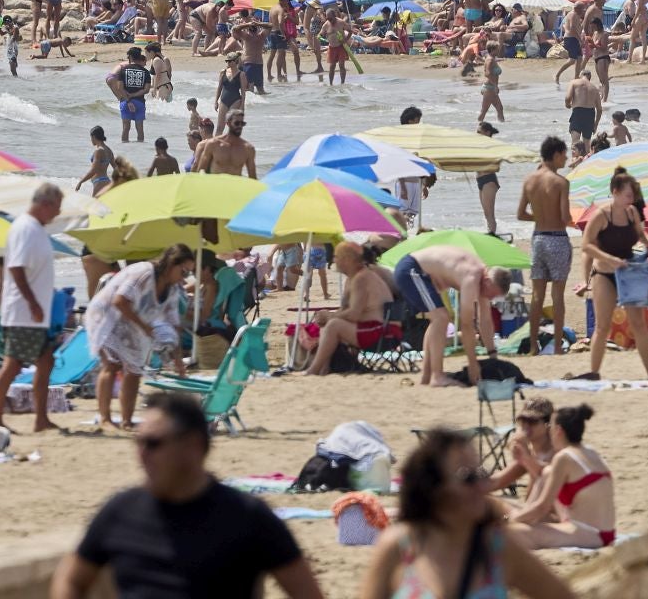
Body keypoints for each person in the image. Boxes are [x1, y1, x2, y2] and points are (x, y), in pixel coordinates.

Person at [56, 392, 323, 599]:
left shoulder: (247, 516)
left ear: (193, 445)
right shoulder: (120, 511)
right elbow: (72, 579)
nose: (142, 454)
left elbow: (306, 593)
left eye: (153, 443)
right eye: (139, 442)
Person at [360, 429, 573, 599]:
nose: (482, 486)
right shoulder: (399, 545)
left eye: (481, 474)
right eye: (468, 478)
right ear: (433, 486)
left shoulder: (498, 548)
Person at [86, 244, 195, 429]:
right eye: (183, 272)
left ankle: (127, 420)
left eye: (188, 275)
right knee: (112, 365)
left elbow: (174, 325)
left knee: (135, 370)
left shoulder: (174, 289)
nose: (184, 279)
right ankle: (105, 418)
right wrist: (144, 326)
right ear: (171, 264)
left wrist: (178, 359)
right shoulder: (144, 273)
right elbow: (119, 301)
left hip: (133, 321)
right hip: (106, 315)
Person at [0, 182, 66, 433]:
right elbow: (16, 268)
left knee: (46, 361)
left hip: (34, 313)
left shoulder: (36, 229)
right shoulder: (25, 228)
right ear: (45, 204)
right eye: (56, 208)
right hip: (23, 311)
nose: (57, 213)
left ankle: (40, 419)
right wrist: (33, 302)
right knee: (13, 364)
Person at [391, 244, 504, 388]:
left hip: (422, 273)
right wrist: (473, 364)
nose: (491, 298)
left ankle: (427, 375)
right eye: (492, 294)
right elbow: (466, 324)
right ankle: (437, 376)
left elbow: (485, 320)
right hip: (412, 269)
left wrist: (493, 355)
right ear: (488, 281)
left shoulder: (484, 281)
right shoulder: (472, 276)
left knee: (438, 320)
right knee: (441, 318)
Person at [508, 404, 618, 550]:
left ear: (559, 431)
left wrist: (512, 520)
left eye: (551, 428)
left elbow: (542, 507)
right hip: (604, 532)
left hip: (588, 533)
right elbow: (545, 473)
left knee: (509, 533)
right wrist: (527, 459)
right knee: (547, 473)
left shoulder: (563, 457)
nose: (549, 432)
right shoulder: (590, 452)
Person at [579, 170, 648, 379]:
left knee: (638, 323)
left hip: (628, 272)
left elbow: (641, 234)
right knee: (602, 326)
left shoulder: (632, 213)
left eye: (633, 196)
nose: (632, 199)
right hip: (604, 273)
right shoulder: (601, 215)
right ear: (615, 192)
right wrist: (609, 259)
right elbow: (585, 246)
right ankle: (594, 372)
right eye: (628, 195)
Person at [519, 137, 573, 356]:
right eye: (564, 154)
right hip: (557, 239)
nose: (567, 158)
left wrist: (540, 217)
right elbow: (564, 216)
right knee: (557, 296)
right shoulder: (561, 182)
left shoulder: (529, 180)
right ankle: (558, 346)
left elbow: (521, 214)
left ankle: (533, 346)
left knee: (536, 297)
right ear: (556, 154)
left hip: (538, 238)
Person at [304, 242, 392, 376]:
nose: (334, 260)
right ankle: (323, 368)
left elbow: (354, 314)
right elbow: (346, 310)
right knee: (329, 323)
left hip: (381, 332)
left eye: (337, 257)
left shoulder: (361, 278)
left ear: (348, 260)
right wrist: (328, 316)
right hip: (375, 327)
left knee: (334, 325)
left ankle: (314, 370)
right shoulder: (354, 279)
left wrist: (330, 316)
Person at [489, 398, 556, 495]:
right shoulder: (532, 452)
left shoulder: (557, 451)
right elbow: (498, 481)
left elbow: (547, 477)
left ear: (547, 424)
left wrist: (526, 457)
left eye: (532, 421)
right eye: (523, 420)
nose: (526, 426)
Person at [108, 46, 153, 144]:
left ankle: (125, 149)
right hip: (140, 102)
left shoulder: (124, 70)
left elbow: (120, 88)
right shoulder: (145, 72)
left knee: (126, 128)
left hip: (125, 101)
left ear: (130, 57)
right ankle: (140, 150)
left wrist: (128, 100)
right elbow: (146, 90)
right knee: (140, 129)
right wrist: (134, 95)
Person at [564, 68, 602, 156]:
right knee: (586, 145)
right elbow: (599, 110)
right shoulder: (594, 88)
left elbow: (567, 98)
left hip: (578, 113)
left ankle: (574, 166)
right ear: (590, 78)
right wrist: (595, 125)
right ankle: (586, 165)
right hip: (590, 115)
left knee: (575, 143)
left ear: (581, 75)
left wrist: (567, 105)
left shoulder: (574, 82)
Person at [77, 126, 117, 196]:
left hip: (99, 183)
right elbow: (116, 168)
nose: (91, 140)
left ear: (94, 137)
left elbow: (94, 170)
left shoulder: (98, 151)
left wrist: (81, 181)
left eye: (91, 137)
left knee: (93, 206)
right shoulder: (109, 150)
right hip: (107, 182)